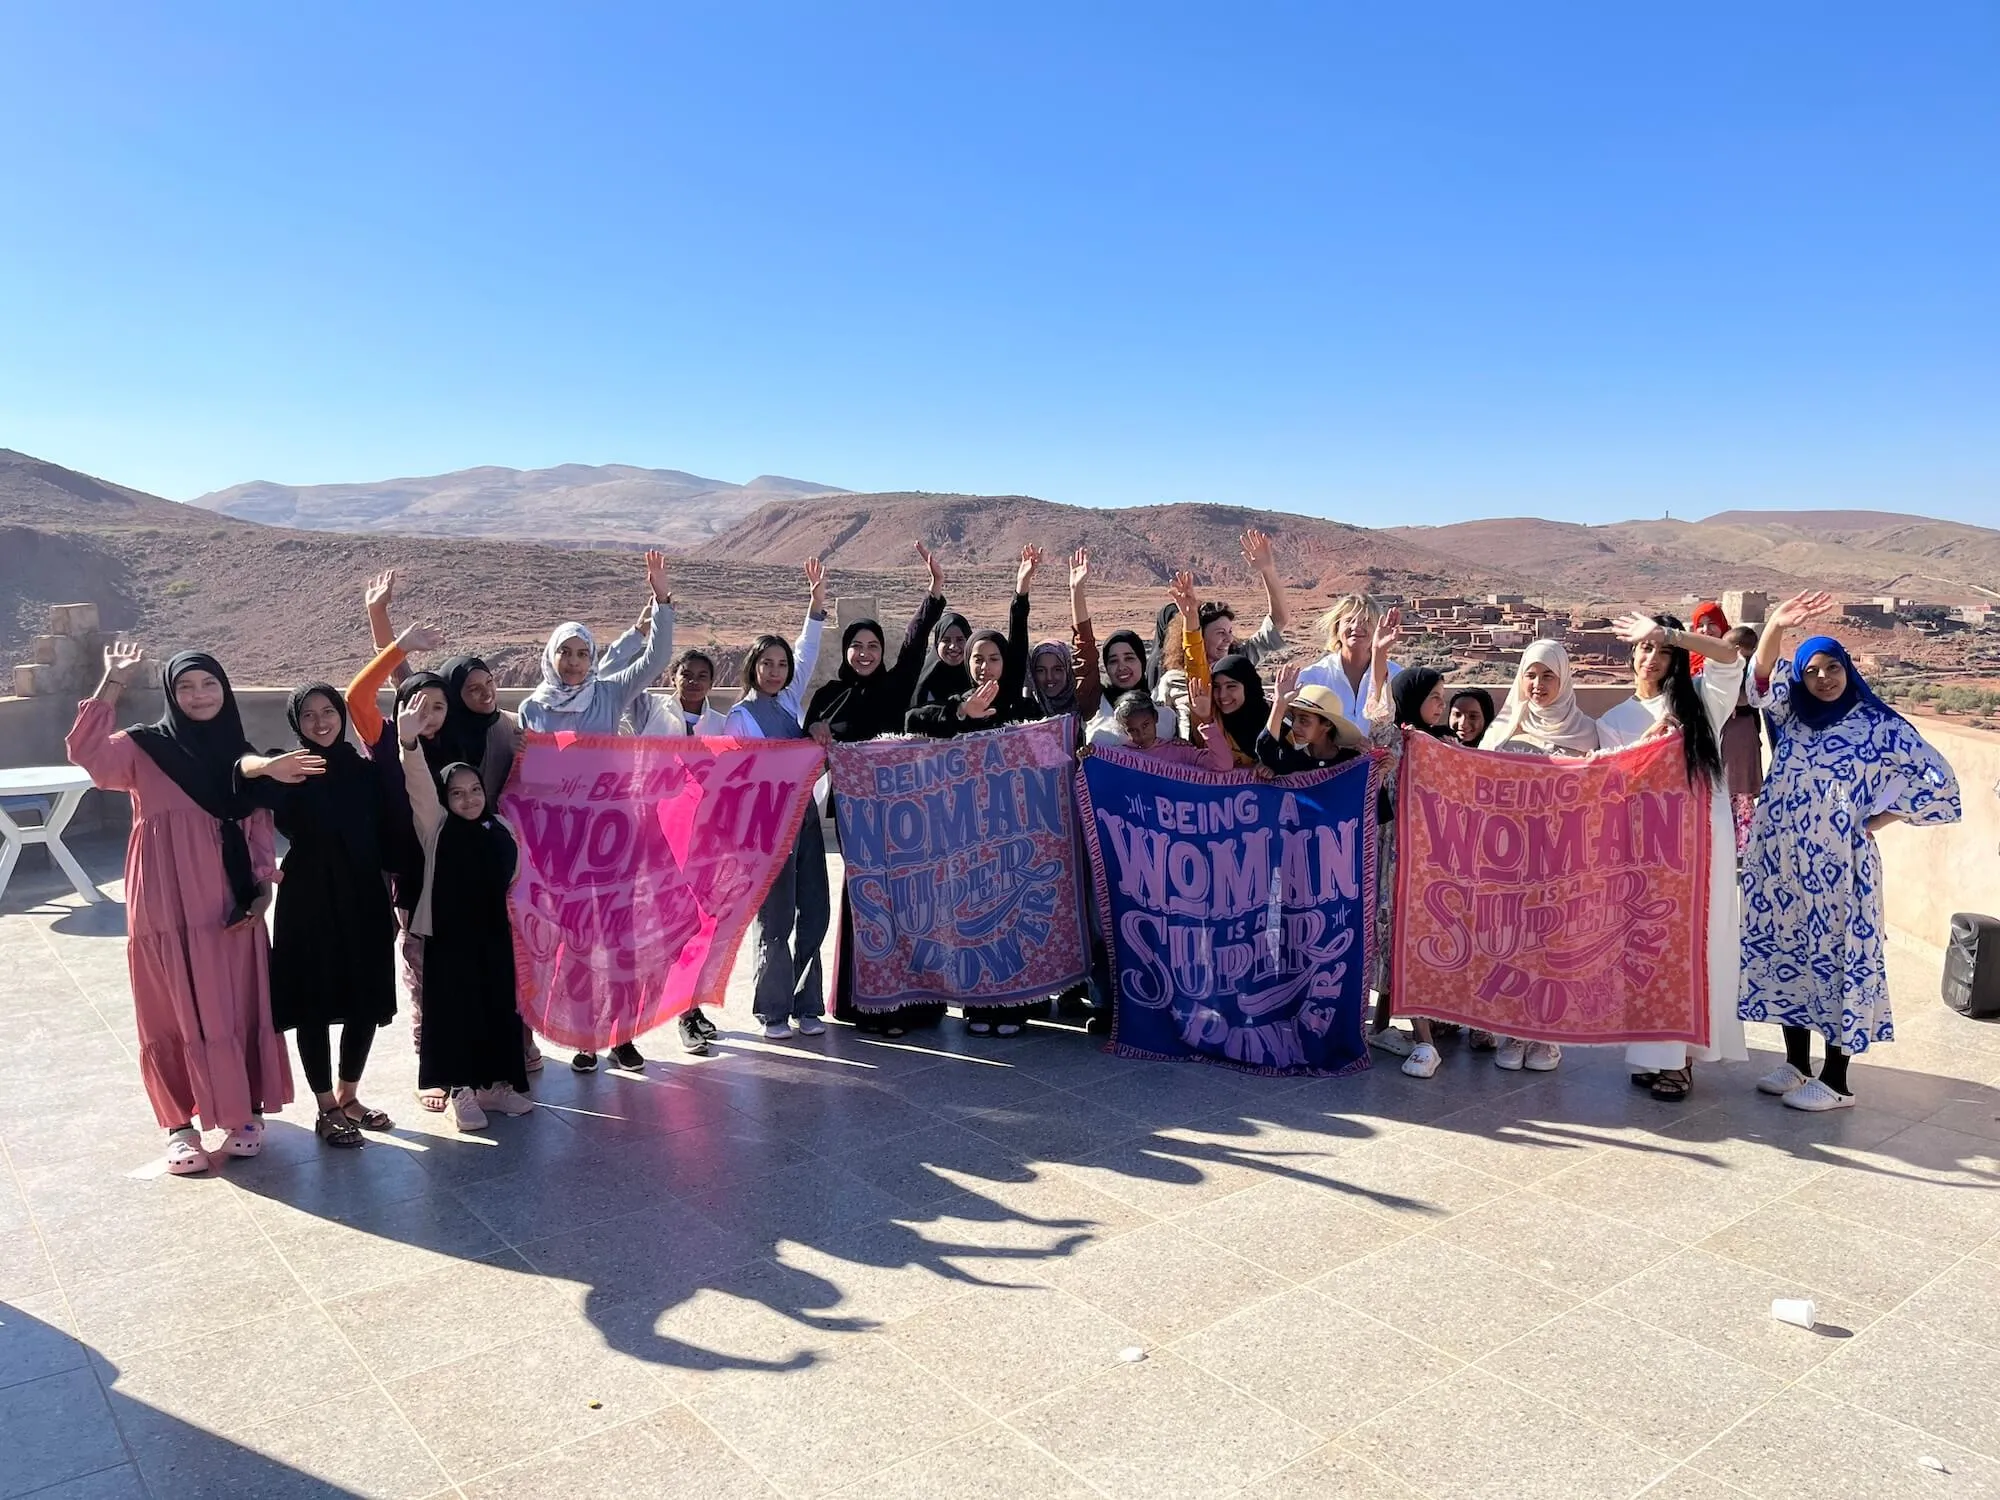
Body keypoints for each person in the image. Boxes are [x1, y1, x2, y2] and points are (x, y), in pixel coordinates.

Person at [67, 643, 293, 1174]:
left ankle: (244, 1113)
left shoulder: (245, 755)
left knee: (234, 995)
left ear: (225, 691)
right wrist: (113, 683)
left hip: (225, 893)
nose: (198, 695)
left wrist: (263, 887)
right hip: (162, 894)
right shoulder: (144, 748)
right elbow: (86, 753)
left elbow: (258, 827)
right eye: (186, 686)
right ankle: (179, 1125)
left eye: (209, 684)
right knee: (167, 1001)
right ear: (171, 692)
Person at [1739, 592, 1961, 1111]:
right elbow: (1758, 681)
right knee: (1789, 954)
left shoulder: (1875, 725)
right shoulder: (1790, 714)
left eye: (1832, 668)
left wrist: (1881, 818)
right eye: (1812, 670)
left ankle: (1837, 1080)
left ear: (1848, 670)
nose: (1822, 679)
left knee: (1838, 961)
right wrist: (1775, 623)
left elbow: (1937, 779)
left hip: (1841, 869)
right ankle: (1797, 1064)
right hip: (1781, 862)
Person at [520, 549, 676, 1071]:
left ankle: (623, 1035)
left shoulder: (607, 694)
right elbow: (529, 775)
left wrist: (661, 602)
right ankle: (586, 1038)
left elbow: (654, 662)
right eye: (565, 653)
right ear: (552, 656)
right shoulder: (534, 708)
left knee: (621, 936)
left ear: (592, 658)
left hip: (614, 834)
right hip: (564, 842)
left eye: (581, 654)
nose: (573, 663)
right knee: (578, 941)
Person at [1595, 610, 1752, 1103]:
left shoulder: (1703, 701)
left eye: (1663, 650)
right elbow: (1610, 788)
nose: (1652, 658)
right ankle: (1651, 1054)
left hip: (1700, 844)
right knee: (1648, 948)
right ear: (1631, 655)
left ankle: (1680, 1059)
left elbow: (1731, 656)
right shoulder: (1613, 720)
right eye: (1645, 648)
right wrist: (1640, 751)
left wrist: (1668, 631)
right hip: (1645, 846)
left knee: (1690, 945)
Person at [237, 685, 399, 1147]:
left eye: (328, 711)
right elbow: (240, 782)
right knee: (312, 1001)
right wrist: (271, 766)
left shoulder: (365, 772)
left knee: (363, 997)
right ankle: (326, 1105)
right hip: (309, 896)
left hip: (364, 892)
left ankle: (350, 1096)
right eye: (308, 715)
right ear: (295, 723)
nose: (320, 722)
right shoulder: (289, 769)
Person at [809, 543, 949, 1036]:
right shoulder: (829, 696)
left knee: (906, 900)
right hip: (854, 818)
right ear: (846, 651)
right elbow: (808, 744)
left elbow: (915, 643)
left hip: (902, 816)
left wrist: (934, 591)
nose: (865, 654)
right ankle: (865, 1001)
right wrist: (817, 738)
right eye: (857, 647)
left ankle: (910, 1001)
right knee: (865, 900)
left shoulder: (895, 686)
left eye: (872, 647)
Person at [399, 698, 533, 1133]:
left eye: (474, 789)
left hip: (495, 935)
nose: (468, 798)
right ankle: (462, 1091)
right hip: (451, 939)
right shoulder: (436, 827)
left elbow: (517, 875)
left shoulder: (500, 828)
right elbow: (418, 783)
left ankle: (495, 1084)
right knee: (456, 1011)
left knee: (496, 1008)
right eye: (456, 792)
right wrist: (408, 742)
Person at [1474, 639, 1599, 1071]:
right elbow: (1476, 783)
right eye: (1530, 674)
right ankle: (1511, 1029)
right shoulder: (1503, 728)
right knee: (1511, 945)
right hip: (1509, 859)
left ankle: (1544, 1035)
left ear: (1563, 678)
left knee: (1553, 946)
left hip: (1562, 860)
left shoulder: (1586, 732)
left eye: (1547, 675)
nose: (1538, 684)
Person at [346, 621, 456, 1110]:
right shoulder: (386, 738)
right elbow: (355, 696)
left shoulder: (454, 748)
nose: (428, 715)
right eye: (419, 704)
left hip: (457, 875)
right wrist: (399, 645)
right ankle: (429, 1062)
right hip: (411, 882)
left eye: (438, 706)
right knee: (423, 973)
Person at [723, 559, 831, 1041]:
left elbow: (808, 651)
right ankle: (773, 1010)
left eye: (781, 664)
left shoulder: (789, 702)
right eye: (766, 663)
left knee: (814, 909)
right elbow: (740, 778)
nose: (775, 670)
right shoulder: (740, 717)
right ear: (753, 666)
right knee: (776, 916)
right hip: (768, 827)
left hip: (804, 818)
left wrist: (816, 605)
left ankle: (808, 1004)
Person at [1366, 656, 1451, 1078]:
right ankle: (1424, 1040)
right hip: (1394, 856)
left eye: (1442, 698)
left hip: (1428, 860)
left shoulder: (1443, 743)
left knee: (1408, 935)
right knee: (1395, 933)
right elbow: (1377, 716)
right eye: (1433, 698)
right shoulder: (1398, 740)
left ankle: (1382, 1025)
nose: (1440, 706)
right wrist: (1380, 654)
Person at [906, 546, 1044, 738]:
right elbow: (911, 720)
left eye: (994, 659)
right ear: (967, 662)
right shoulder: (961, 701)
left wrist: (1022, 587)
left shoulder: (1014, 698)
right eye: (978, 659)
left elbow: (1018, 637)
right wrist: (961, 712)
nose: (985, 667)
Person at [1298, 593, 1400, 728]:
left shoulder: (1396, 676)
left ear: (1377, 630)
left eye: (1366, 621)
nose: (1356, 626)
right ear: (1337, 627)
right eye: (1349, 620)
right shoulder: (1314, 677)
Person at [1255, 664, 1371, 774]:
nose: (1295, 726)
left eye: (1304, 721)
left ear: (1327, 725)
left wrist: (1379, 774)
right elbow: (1265, 751)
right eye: (1294, 718)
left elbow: (1370, 792)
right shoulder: (1291, 759)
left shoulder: (1351, 761)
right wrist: (1280, 704)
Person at [1100, 687, 1233, 771]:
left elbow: (1223, 764)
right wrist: (1088, 756)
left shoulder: (1179, 751)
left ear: (1155, 717)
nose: (1142, 734)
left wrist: (1207, 721)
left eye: (1145, 725)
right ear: (1124, 730)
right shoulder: (1118, 758)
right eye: (1132, 730)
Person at [1719, 624, 1766, 855]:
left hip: (1740, 736)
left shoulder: (1746, 671)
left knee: (1740, 793)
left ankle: (1743, 848)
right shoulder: (1735, 669)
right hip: (1735, 735)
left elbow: (1745, 699)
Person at [632, 649, 730, 737]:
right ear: (673, 679)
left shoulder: (722, 725)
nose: (694, 681)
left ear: (711, 683)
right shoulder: (651, 707)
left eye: (702, 676)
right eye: (687, 675)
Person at [1084, 629, 1149, 747]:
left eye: (1129, 658)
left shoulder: (1159, 701)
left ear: (1142, 660)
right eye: (1113, 661)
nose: (1121, 667)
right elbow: (1084, 654)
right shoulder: (1097, 703)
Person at [911, 610, 974, 711]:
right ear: (937, 644)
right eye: (946, 640)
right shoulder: (926, 680)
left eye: (960, 640)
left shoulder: (977, 674)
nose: (953, 646)